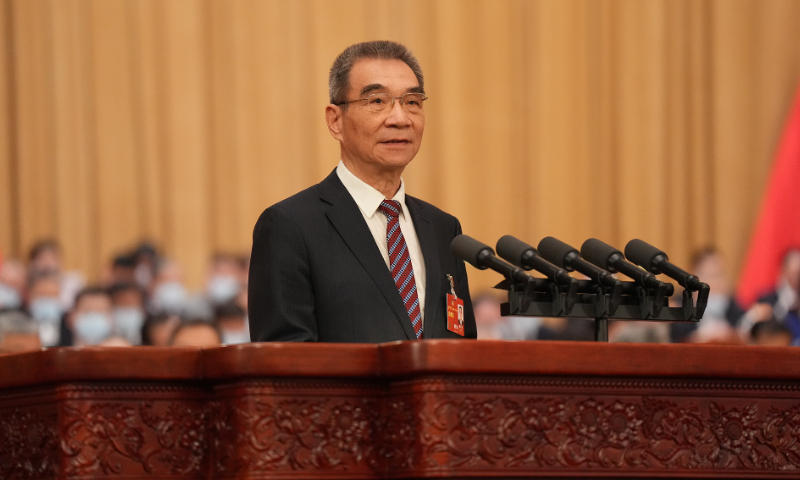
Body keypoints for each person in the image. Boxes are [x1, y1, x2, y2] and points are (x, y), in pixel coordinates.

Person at [248, 41, 476, 343]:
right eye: (377, 101)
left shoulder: (445, 230)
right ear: (335, 121)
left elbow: (463, 347)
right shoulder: (290, 226)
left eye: (412, 102)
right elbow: (286, 366)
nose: (400, 118)